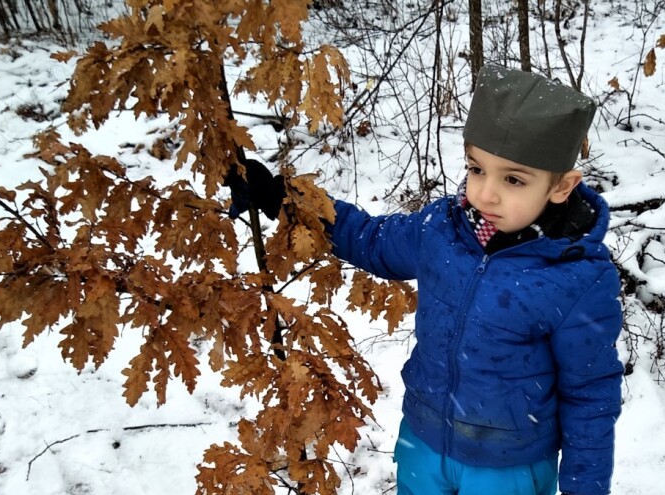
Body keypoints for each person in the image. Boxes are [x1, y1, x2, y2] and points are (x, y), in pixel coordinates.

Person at [227, 65, 624, 495]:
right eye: (476, 168)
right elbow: (369, 239)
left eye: (513, 179)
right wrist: (283, 198)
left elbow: (590, 394)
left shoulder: (576, 277)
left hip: (507, 468)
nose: (485, 193)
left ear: (562, 187)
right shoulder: (443, 229)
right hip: (423, 442)